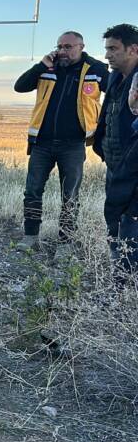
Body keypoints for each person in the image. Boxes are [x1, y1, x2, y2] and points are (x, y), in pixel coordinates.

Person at [14, 31, 109, 254]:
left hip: (73, 145)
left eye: (68, 46)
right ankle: (30, 237)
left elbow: (115, 90)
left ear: (81, 47)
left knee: (70, 196)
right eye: (59, 46)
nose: (62, 51)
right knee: (33, 190)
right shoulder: (48, 68)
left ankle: (66, 242)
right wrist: (41, 65)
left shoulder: (94, 70)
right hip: (42, 143)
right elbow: (20, 86)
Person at [96, 24, 138, 281]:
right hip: (115, 164)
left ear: (133, 49)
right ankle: (120, 275)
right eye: (107, 49)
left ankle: (124, 284)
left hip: (134, 166)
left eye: (113, 49)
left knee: (130, 223)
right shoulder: (115, 76)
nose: (108, 55)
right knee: (114, 217)